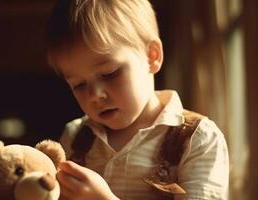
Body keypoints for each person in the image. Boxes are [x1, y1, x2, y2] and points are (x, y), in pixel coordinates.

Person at [45, 0, 229, 199]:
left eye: (109, 74)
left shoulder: (198, 140)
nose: (95, 95)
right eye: (79, 85)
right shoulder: (74, 137)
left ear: (152, 56)